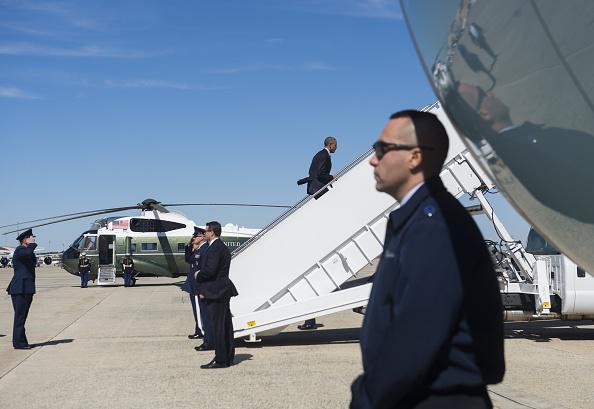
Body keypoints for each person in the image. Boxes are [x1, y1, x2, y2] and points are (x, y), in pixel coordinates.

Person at [350, 110, 504, 408]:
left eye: (381, 149)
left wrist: (365, 397)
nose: (373, 160)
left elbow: (415, 338)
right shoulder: (418, 219)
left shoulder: (434, 227)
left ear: (414, 157)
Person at [298, 136, 338, 331]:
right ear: (331, 144)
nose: (336, 148)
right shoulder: (324, 155)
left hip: (314, 187)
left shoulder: (319, 154)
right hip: (318, 188)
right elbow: (321, 173)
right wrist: (332, 178)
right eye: (336, 145)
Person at [196, 221, 238, 369]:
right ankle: (227, 356)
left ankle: (221, 359)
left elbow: (210, 271)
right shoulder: (219, 247)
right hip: (221, 290)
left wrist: (198, 274)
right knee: (225, 326)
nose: (204, 233)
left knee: (219, 327)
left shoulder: (215, 248)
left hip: (216, 292)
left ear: (212, 232)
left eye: (206, 231)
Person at [6, 229, 38, 350]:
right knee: (20, 318)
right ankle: (19, 343)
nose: (33, 239)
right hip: (20, 289)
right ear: (25, 239)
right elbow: (28, 252)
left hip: (25, 288)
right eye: (31, 237)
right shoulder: (20, 250)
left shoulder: (25, 252)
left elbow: (31, 258)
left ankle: (22, 342)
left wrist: (30, 245)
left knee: (21, 317)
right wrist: (32, 244)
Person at [185, 226, 213, 348]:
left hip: (198, 286)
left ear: (202, 237)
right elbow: (189, 260)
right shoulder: (198, 249)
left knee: (201, 311)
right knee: (197, 311)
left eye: (195, 236)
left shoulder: (204, 249)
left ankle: (203, 332)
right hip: (194, 285)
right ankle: (199, 330)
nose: (193, 238)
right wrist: (189, 247)